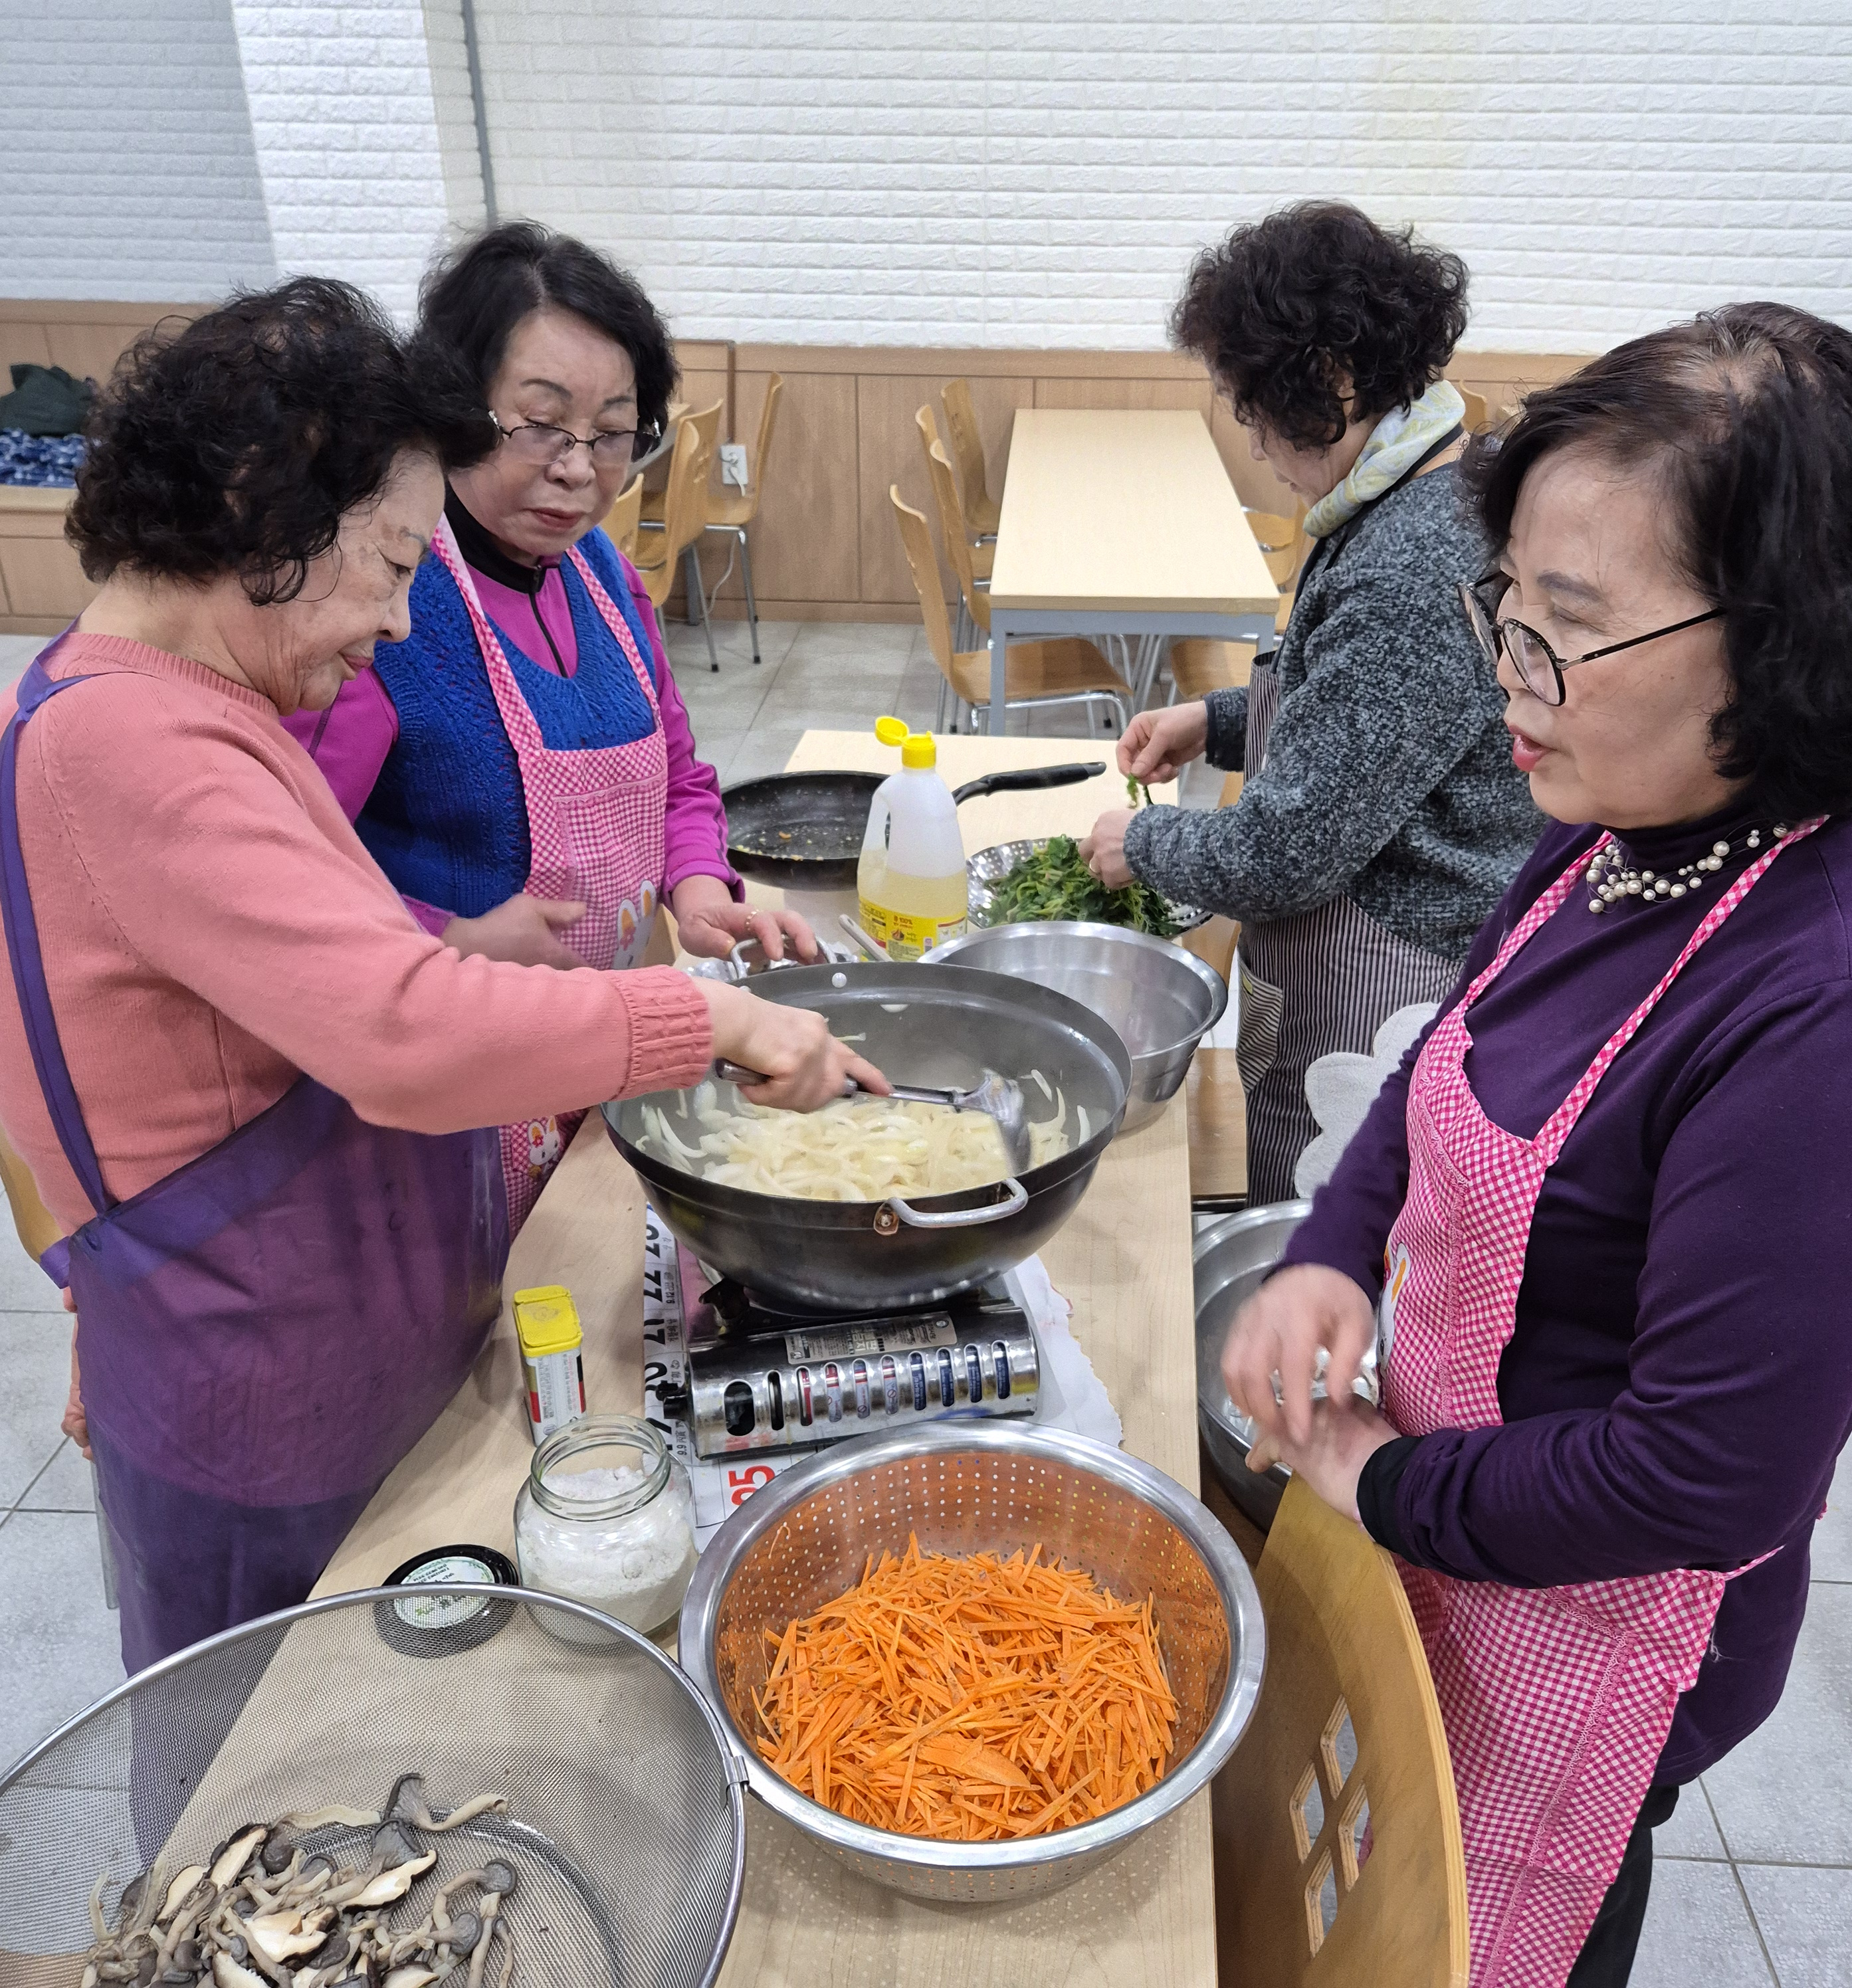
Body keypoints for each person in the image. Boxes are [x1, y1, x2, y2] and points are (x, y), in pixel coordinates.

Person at [1223, 303, 1852, 1987]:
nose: (1510, 669)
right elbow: (1448, 1051)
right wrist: (1332, 1249)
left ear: (1780, 641)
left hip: (1595, 1624)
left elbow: (1697, 1476)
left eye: (1567, 626)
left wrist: (1379, 1479)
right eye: (1505, 603)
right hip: (1448, 1520)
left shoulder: (1841, 1008)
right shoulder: (1620, 817)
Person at [0, 280, 880, 1670]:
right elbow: (400, 1029)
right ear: (269, 512)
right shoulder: (127, 745)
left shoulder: (181, 703)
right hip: (264, 1382)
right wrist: (707, 1015)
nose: (406, 623)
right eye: (396, 561)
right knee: (283, 1739)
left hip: (337, 1333)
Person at [286, 223, 806, 1233]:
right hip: (448, 1102)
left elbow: (679, 776)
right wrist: (452, 937)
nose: (579, 469)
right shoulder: (383, 613)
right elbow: (284, 884)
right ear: (454, 406)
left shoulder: (604, 575)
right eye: (540, 424)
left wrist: (699, 886)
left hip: (603, 1054)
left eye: (613, 433)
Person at [1079, 201, 1540, 1203]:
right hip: (1373, 952)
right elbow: (1363, 712)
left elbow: (1287, 853)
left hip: (1389, 984)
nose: (1254, 443)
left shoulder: (1409, 562)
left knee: (1330, 1243)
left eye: (1253, 409)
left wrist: (1140, 843)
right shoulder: (1414, 483)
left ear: (1326, 381)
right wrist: (1217, 721)